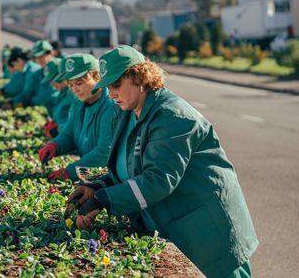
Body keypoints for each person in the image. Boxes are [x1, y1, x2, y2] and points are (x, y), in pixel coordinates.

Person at [66, 45, 258, 278]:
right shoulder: (127, 113)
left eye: (116, 85)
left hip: (208, 231)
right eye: (107, 87)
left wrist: (103, 200)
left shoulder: (172, 116)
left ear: (139, 77)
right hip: (180, 225)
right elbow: (130, 169)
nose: (111, 93)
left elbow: (158, 179)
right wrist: (97, 186)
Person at [37, 53, 115, 181]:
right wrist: (55, 145)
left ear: (96, 76)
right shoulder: (79, 101)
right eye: (71, 85)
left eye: (79, 83)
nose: (74, 90)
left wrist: (70, 172)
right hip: (89, 173)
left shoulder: (110, 106)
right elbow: (69, 134)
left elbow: (104, 152)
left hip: (107, 177)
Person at [40, 58, 75, 139]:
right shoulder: (61, 94)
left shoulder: (73, 95)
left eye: (54, 80)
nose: (52, 84)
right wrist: (53, 124)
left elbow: (74, 122)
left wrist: (57, 129)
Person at [31, 40, 59, 115]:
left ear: (51, 53)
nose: (39, 60)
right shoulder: (39, 72)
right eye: (37, 57)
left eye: (41, 56)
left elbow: (53, 92)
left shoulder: (57, 68)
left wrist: (32, 101)